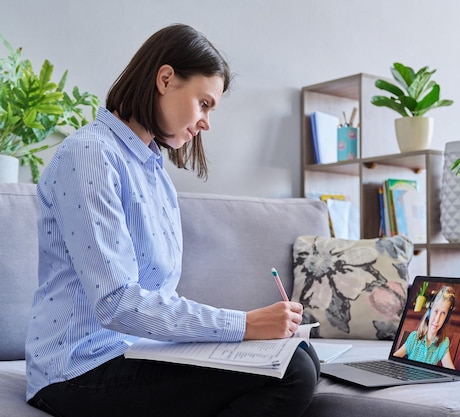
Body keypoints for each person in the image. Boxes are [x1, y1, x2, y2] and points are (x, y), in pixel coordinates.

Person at [25, 24, 319, 417]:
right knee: (292, 373)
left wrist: (248, 334)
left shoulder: (154, 173)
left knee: (300, 355)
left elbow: (159, 297)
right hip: (76, 370)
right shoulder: (89, 155)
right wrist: (243, 325)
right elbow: (116, 303)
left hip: (131, 353)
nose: (206, 123)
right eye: (205, 103)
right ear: (165, 79)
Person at [393, 286, 456, 369]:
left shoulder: (443, 343)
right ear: (429, 312)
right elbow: (393, 360)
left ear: (446, 318)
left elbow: (451, 372)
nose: (437, 319)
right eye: (436, 311)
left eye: (443, 313)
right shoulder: (414, 338)